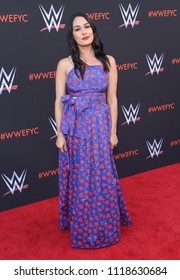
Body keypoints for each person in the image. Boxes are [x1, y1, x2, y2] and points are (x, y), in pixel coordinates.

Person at [55, 12, 132, 249]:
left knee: (102, 176)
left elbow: (112, 99)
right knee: (80, 176)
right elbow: (59, 100)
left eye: (86, 26)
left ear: (93, 30)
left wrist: (113, 131)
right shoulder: (65, 64)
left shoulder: (108, 61)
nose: (83, 31)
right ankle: (83, 227)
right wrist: (60, 133)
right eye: (77, 29)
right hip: (76, 127)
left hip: (100, 126)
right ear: (72, 35)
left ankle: (106, 227)